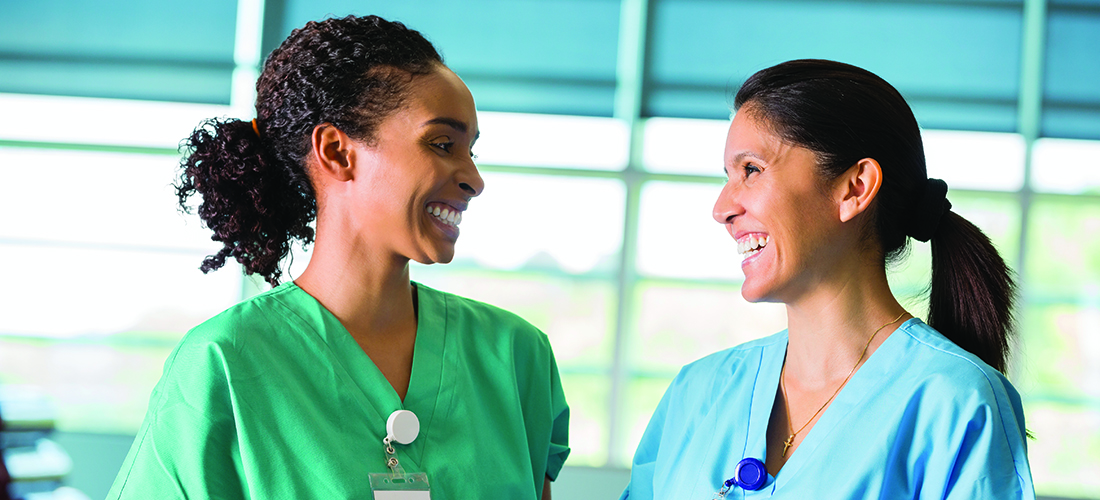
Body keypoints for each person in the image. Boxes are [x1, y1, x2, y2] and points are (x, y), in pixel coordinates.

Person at [107, 15, 569, 500]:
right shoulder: (223, 362)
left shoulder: (516, 357)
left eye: (471, 151)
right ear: (336, 151)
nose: (474, 179)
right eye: (442, 144)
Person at [621, 59, 1033, 499]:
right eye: (728, 176)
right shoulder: (697, 394)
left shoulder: (958, 403)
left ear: (855, 188)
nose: (722, 208)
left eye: (752, 170)